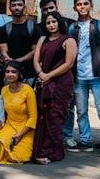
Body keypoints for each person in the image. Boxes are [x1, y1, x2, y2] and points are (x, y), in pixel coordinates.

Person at [63, 0, 100, 158]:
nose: (82, 7)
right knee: (81, 111)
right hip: (79, 77)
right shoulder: (72, 28)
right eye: (79, 4)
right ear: (75, 8)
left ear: (91, 6)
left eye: (85, 4)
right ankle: (86, 141)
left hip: (98, 75)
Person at [32, 11, 77, 164]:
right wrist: (40, 73)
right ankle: (41, 149)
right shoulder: (42, 39)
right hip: (44, 80)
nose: (51, 25)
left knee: (56, 116)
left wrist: (48, 76)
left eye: (54, 22)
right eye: (48, 23)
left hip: (61, 82)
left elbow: (69, 64)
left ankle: (51, 152)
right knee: (43, 114)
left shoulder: (68, 40)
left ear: (59, 23)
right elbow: (36, 60)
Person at [0, 61, 37, 164]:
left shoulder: (28, 90)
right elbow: (1, 112)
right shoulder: (4, 90)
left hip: (26, 128)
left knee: (19, 156)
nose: (10, 74)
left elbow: (33, 116)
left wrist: (20, 134)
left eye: (13, 72)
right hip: (10, 125)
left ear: (19, 74)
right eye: (7, 72)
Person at [0, 0, 41, 84]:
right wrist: (9, 59)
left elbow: (35, 51)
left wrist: (17, 61)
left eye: (19, 5)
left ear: (24, 7)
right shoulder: (3, 29)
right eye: (14, 5)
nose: (17, 8)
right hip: (10, 73)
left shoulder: (34, 27)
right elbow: (3, 51)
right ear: (10, 8)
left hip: (29, 73)